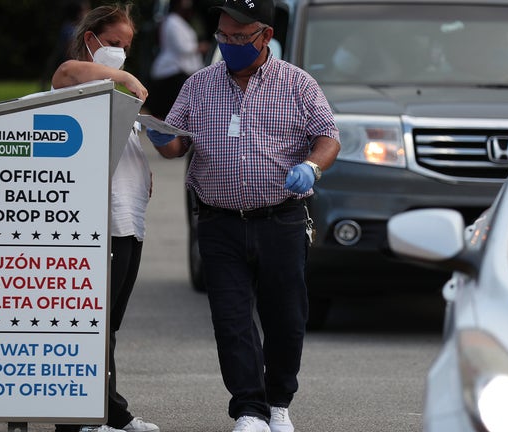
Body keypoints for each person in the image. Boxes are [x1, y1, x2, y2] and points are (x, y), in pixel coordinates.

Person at [145, 1, 341, 431]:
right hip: (219, 222)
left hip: (281, 219)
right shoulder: (199, 85)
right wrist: (161, 136)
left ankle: (279, 404)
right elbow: (177, 146)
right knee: (231, 320)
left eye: (239, 38)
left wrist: (313, 166)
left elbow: (328, 136)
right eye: (222, 36)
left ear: (265, 36)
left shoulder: (298, 85)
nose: (229, 45)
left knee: (286, 317)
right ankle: (249, 410)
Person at [51, 4, 158, 432]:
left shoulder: (116, 93)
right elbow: (68, 73)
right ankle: (83, 417)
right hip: (97, 223)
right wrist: (125, 76)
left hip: (129, 220)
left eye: (127, 48)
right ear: (92, 37)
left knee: (108, 324)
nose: (120, 53)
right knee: (92, 324)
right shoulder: (74, 77)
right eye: (114, 44)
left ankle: (111, 411)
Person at [147, 0, 209, 119]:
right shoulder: (172, 21)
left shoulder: (181, 22)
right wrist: (200, 47)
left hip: (182, 71)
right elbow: (183, 47)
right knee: (169, 113)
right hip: (172, 72)